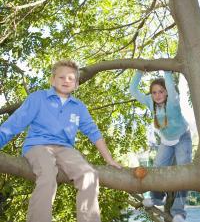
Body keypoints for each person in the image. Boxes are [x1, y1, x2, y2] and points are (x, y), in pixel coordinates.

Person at [0, 60, 121, 222]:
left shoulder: (78, 107)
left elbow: (93, 132)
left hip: (65, 149)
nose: (66, 81)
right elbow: (15, 123)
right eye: (61, 77)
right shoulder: (38, 98)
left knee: (89, 175)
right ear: (52, 80)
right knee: (48, 175)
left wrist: (109, 159)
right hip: (38, 145)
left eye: (71, 78)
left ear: (77, 84)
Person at [129, 70, 192, 222]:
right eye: (154, 92)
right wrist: (139, 72)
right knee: (156, 168)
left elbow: (171, 88)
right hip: (166, 141)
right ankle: (157, 198)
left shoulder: (173, 102)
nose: (157, 95)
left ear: (167, 92)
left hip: (182, 138)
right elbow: (133, 90)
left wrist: (167, 71)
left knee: (183, 171)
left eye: (161, 91)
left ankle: (178, 212)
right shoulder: (150, 102)